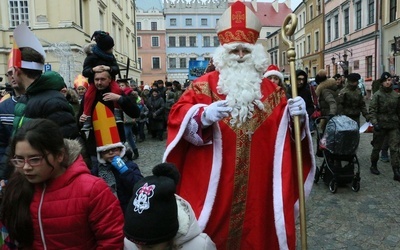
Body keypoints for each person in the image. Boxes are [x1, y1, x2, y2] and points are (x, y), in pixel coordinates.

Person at [162, 2, 315, 249]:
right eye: (235, 51)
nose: (241, 56)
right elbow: (176, 117)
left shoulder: (275, 93)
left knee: (258, 233)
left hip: (260, 186)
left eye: (245, 50)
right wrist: (201, 116)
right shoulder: (203, 86)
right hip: (216, 186)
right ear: (224, 53)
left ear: (255, 51)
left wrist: (298, 119)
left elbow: (288, 144)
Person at [0, 119, 124, 249]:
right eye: (19, 159)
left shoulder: (92, 189)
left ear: (59, 155)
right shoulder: (16, 187)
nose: (26, 167)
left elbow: (113, 239)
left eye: (34, 159)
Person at [123, 163, 216, 250]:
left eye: (150, 247)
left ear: (169, 236)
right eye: (136, 245)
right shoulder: (130, 240)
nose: (140, 248)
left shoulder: (200, 247)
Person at [77, 70, 140, 168]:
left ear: (109, 79)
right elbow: (80, 121)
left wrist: (120, 99)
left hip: (116, 143)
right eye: (96, 79)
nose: (99, 82)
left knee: (121, 174)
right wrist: (81, 120)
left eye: (102, 79)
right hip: (96, 145)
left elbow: (135, 113)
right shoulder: (88, 96)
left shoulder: (117, 93)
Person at [92, 130, 143, 213]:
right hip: (109, 210)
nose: (111, 153)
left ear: (120, 150)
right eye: (106, 151)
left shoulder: (130, 165)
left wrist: (125, 171)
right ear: (101, 154)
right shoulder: (97, 170)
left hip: (128, 208)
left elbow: (139, 186)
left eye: (114, 150)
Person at [81, 31, 123, 130]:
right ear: (104, 48)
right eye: (110, 47)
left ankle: (117, 112)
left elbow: (116, 69)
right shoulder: (91, 57)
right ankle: (87, 117)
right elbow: (85, 72)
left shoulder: (111, 57)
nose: (112, 49)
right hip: (94, 82)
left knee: (117, 90)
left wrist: (109, 68)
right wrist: (93, 70)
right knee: (88, 96)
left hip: (110, 80)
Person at [369, 72, 400, 180]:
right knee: (377, 147)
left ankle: (396, 170)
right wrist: (375, 123)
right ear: (382, 82)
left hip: (393, 125)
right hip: (380, 125)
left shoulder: (395, 95)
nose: (388, 82)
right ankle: (373, 165)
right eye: (386, 80)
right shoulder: (377, 95)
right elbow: (372, 110)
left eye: (389, 80)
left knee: (395, 148)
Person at [0, 68, 25, 180]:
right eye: (9, 73)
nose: (13, 76)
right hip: (8, 172)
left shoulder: (38, 102)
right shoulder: (3, 107)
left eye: (16, 72)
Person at [119, 79, 140, 160]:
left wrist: (134, 117)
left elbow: (133, 108)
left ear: (126, 86)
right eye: (119, 86)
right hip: (123, 117)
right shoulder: (121, 94)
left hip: (128, 118)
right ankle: (135, 152)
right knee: (130, 136)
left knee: (124, 136)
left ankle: (124, 154)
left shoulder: (131, 94)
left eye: (122, 85)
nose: (121, 87)